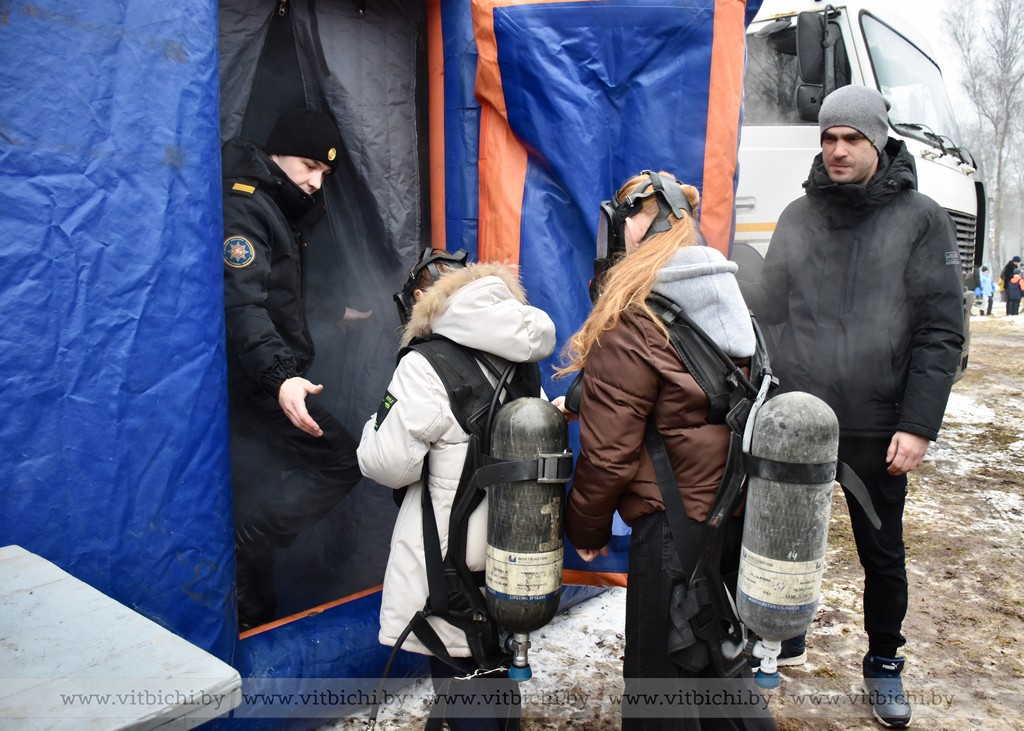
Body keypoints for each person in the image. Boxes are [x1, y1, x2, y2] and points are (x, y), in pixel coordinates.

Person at [737, 85, 964, 729]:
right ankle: (781, 635)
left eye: (852, 139)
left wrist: (918, 425)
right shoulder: (798, 216)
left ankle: (885, 662)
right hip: (798, 417)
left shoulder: (920, 219)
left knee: (881, 551)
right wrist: (733, 261)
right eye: (829, 137)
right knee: (781, 536)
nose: (837, 150)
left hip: (876, 420)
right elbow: (771, 304)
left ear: (879, 142)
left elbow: (940, 330)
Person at [559, 171, 777, 731]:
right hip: (731, 517)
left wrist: (586, 529)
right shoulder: (726, 299)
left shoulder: (636, 321)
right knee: (715, 660)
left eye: (623, 218)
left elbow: (607, 456)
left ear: (642, 221)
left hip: (670, 532)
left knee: (659, 688)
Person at [357, 251, 556, 731]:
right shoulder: (521, 356)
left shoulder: (424, 364)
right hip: (516, 551)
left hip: (450, 562)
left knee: (463, 670)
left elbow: (388, 465)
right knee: (496, 669)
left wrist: (374, 425)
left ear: (421, 299)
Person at [222, 108, 363, 631]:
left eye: (324, 173)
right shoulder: (245, 206)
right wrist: (281, 376)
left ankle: (252, 611)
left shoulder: (276, 207)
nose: (315, 182)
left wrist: (338, 309)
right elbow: (243, 305)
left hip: (267, 377)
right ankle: (240, 543)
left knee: (251, 494)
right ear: (277, 153)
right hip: (256, 383)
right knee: (342, 459)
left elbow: (281, 293)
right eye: (309, 166)